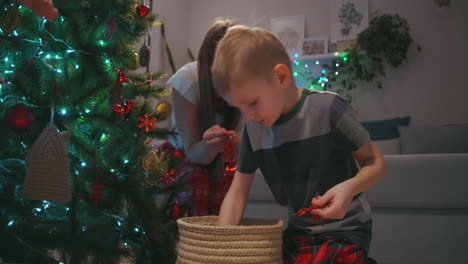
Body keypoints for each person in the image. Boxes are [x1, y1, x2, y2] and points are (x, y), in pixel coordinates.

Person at [213, 25, 386, 263]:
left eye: (252, 103)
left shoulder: (329, 109)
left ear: (282, 77)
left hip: (346, 230)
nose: (248, 117)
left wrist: (349, 188)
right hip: (298, 234)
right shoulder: (253, 131)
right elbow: (238, 192)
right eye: (239, 109)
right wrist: (221, 246)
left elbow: (375, 162)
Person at [167, 19, 242, 216]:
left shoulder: (246, 83)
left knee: (224, 182)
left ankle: (219, 242)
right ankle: (196, 242)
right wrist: (210, 146)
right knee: (197, 180)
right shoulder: (187, 81)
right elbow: (192, 151)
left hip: (219, 159)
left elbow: (240, 157)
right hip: (182, 154)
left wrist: (234, 149)